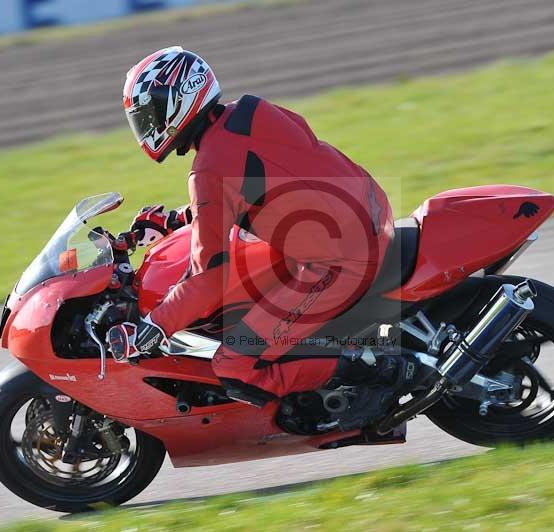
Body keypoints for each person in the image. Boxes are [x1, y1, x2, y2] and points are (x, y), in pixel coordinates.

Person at [110, 46, 415, 429]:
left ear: (177, 101)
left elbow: (208, 278)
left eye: (149, 115)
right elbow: (260, 187)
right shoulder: (249, 113)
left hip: (341, 261)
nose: (147, 126)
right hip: (371, 213)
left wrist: (153, 328)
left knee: (235, 364)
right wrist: (177, 220)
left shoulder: (208, 169)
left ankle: (376, 371)